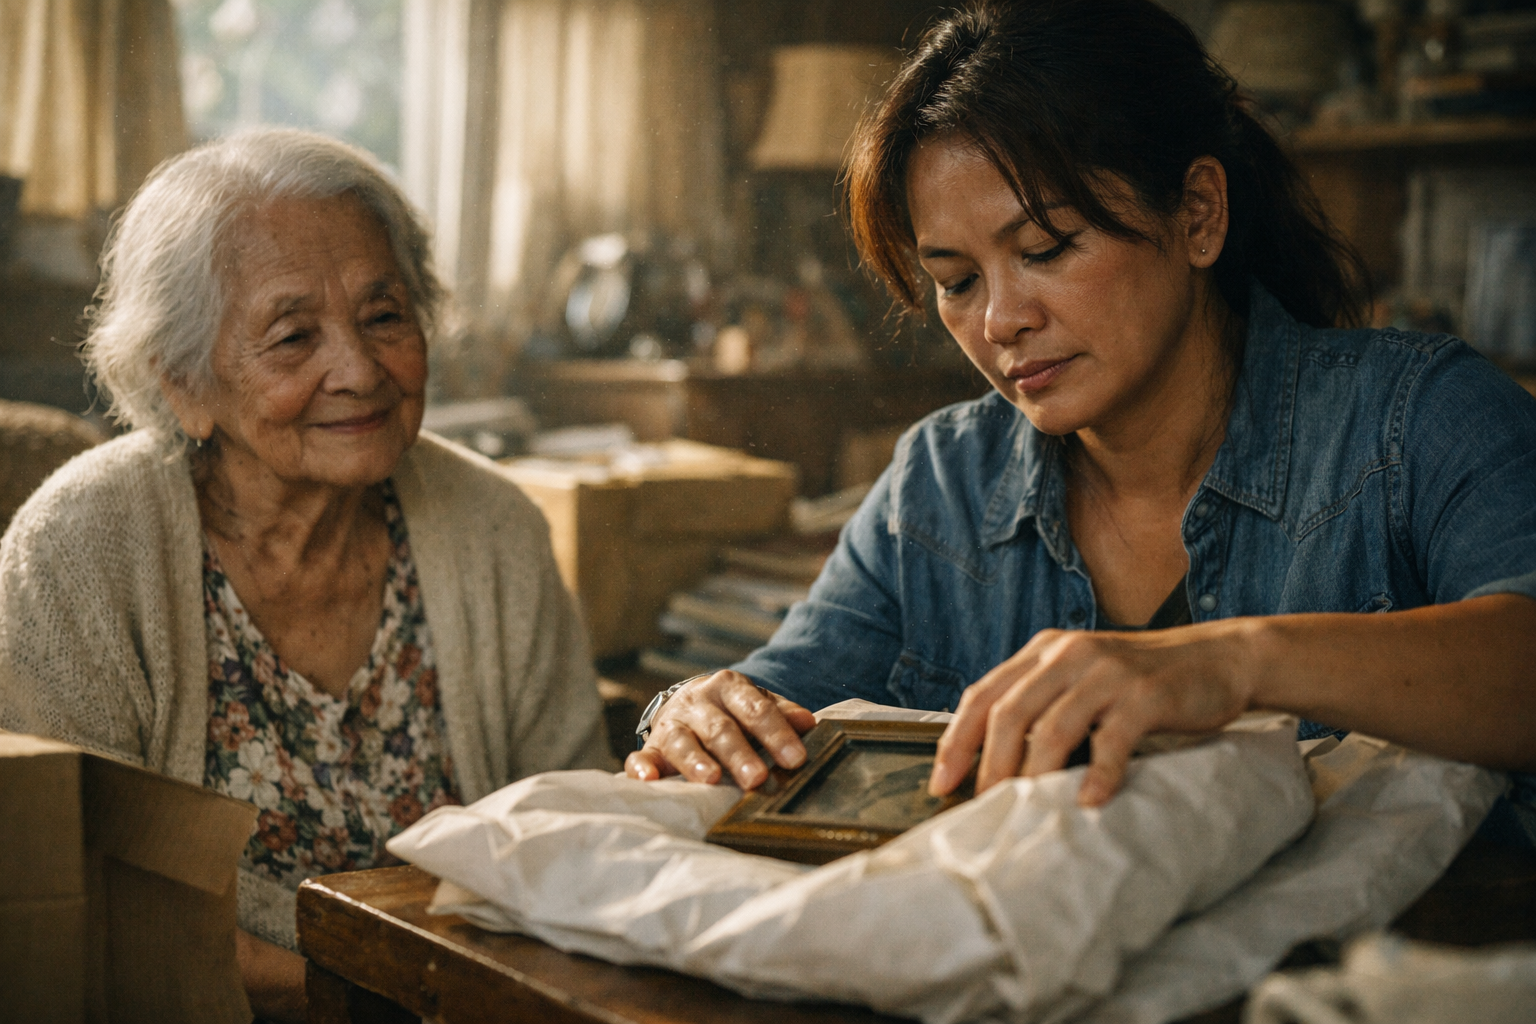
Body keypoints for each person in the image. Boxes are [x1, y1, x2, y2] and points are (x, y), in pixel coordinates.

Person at [627, 0, 1536, 830]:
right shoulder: (940, 484)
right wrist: (693, 712)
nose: (999, 321)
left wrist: (1231, 663)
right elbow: (775, 703)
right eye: (956, 281)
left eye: (1046, 248)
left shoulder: (1414, 417)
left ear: (1199, 215)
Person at [0, 128, 614, 1021]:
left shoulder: (495, 527)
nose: (360, 370)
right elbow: (81, 895)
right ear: (184, 383)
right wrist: (381, 1000)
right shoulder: (80, 550)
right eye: (293, 336)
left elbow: (574, 829)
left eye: (384, 316)